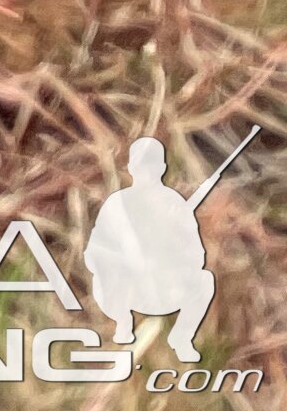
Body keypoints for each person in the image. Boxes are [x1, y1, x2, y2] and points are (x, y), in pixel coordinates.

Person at [85, 136, 216, 362]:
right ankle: (123, 327)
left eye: (152, 166)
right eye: (141, 166)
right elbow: (93, 253)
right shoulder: (118, 204)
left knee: (205, 281)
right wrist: (127, 259)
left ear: (162, 168)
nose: (147, 173)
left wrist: (173, 249)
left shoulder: (175, 205)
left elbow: (197, 256)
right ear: (132, 168)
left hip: (163, 288)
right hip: (124, 291)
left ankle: (182, 337)